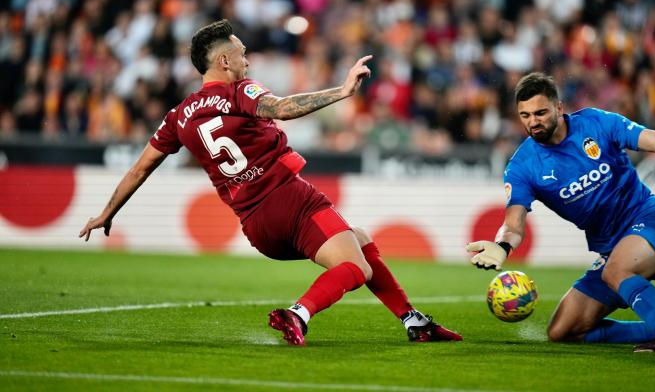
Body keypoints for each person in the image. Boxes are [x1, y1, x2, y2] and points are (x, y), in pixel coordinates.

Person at [79, 19, 462, 346]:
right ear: (224, 61)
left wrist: (106, 213)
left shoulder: (178, 116)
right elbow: (281, 108)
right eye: (242, 53)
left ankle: (414, 321)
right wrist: (342, 92)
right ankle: (299, 313)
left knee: (358, 240)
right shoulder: (238, 91)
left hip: (257, 227)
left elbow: (139, 169)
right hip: (291, 198)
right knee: (356, 268)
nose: (247, 60)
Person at [466, 72, 655, 352]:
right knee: (564, 330)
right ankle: (648, 328)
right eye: (525, 115)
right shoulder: (523, 166)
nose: (533, 121)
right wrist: (503, 246)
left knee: (618, 269)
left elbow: (652, 139)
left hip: (648, 218)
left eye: (541, 112)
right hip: (611, 249)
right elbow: (514, 221)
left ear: (558, 107)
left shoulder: (596, 122)